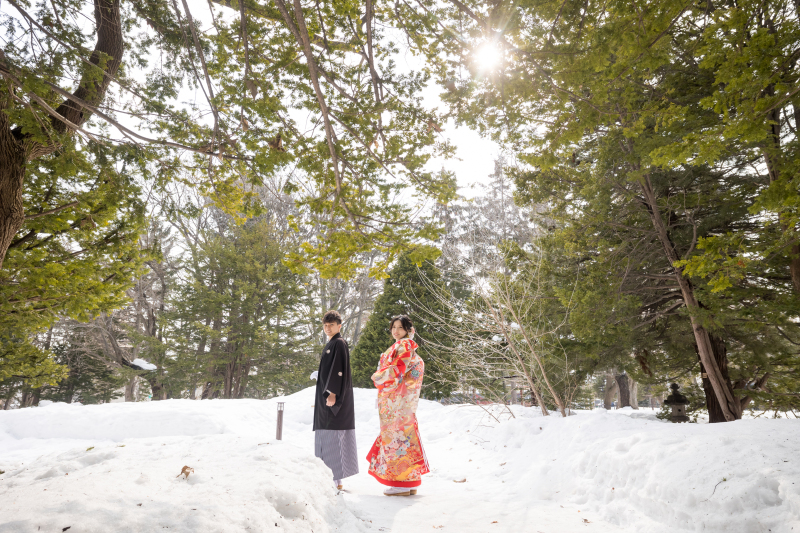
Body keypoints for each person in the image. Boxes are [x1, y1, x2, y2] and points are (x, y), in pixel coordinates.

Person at [366, 315, 430, 496]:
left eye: (400, 327)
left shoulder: (405, 345)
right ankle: (408, 482)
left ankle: (399, 483)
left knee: (396, 438)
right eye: (393, 327)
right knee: (404, 438)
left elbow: (396, 371)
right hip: (402, 402)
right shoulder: (405, 345)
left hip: (397, 402)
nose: (396, 331)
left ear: (409, 330)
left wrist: (377, 376)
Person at [312, 310, 358, 490]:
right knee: (328, 435)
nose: (328, 328)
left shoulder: (338, 343)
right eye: (325, 325)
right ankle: (332, 479)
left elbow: (338, 370)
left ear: (339, 326)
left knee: (332, 436)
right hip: (326, 398)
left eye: (331, 325)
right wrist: (320, 377)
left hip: (332, 399)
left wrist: (332, 392)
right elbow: (330, 370)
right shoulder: (332, 343)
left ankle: (334, 479)